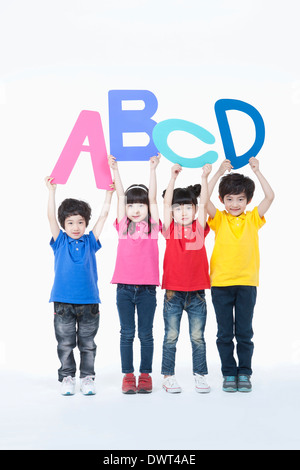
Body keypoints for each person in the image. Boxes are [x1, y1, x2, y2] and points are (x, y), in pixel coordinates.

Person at [207, 157, 275, 392]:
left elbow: (270, 197)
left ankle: (244, 372)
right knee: (224, 333)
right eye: (229, 199)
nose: (234, 204)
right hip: (220, 284)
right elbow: (203, 198)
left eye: (240, 199)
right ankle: (229, 373)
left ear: (247, 201)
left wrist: (257, 171)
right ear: (222, 200)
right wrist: (218, 172)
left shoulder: (253, 218)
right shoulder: (218, 219)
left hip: (247, 283)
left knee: (244, 332)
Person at [45, 173, 114, 396]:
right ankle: (67, 377)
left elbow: (103, 216)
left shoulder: (90, 241)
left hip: (89, 304)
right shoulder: (61, 241)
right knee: (65, 344)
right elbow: (50, 218)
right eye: (70, 223)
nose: (76, 227)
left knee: (88, 344)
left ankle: (87, 378)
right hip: (63, 303)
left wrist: (108, 194)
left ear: (86, 223)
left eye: (80, 222)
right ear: (64, 225)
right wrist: (52, 191)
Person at [108, 154, 161, 394]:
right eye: (131, 205)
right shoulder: (122, 226)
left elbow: (153, 197)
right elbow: (120, 195)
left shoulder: (152, 226)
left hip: (147, 289)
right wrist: (115, 169)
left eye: (140, 205)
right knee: (127, 333)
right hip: (124, 289)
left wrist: (153, 169)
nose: (135, 209)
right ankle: (128, 375)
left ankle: (146, 375)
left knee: (146, 334)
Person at [161, 163, 212, 394]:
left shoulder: (199, 228)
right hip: (173, 292)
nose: (183, 212)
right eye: (178, 208)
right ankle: (168, 376)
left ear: (194, 210)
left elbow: (204, 204)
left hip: (197, 294)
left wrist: (204, 177)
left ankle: (200, 375)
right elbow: (164, 202)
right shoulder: (169, 229)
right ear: (172, 212)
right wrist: (172, 178)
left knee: (198, 337)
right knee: (171, 337)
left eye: (188, 208)